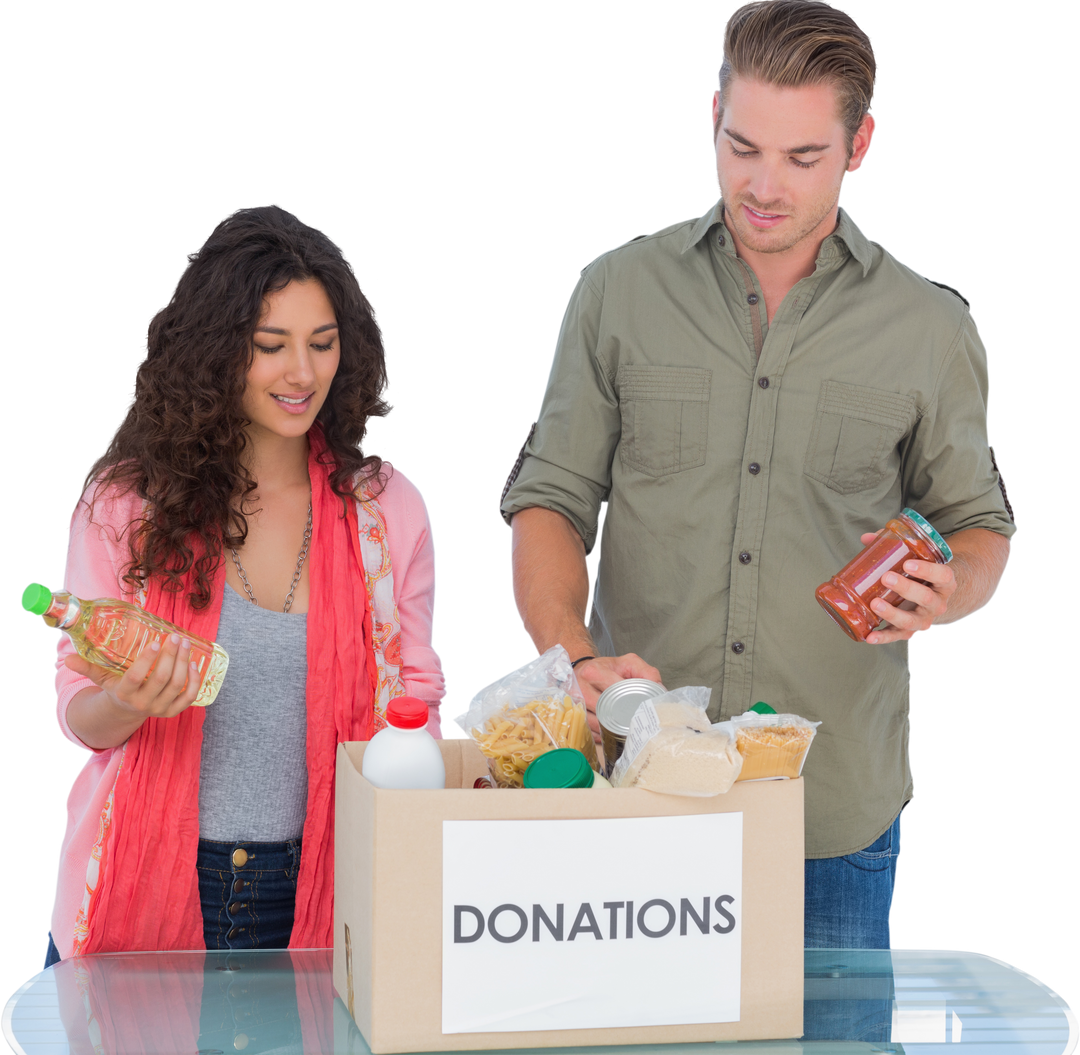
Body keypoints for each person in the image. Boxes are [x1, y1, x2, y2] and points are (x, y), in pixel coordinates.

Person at [498, 0, 1016, 953]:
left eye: (801, 157)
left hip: (829, 822)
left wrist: (951, 590)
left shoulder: (933, 329)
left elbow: (979, 523)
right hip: (632, 795)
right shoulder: (615, 290)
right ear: (711, 114)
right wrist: (571, 654)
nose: (763, 184)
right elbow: (550, 498)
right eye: (741, 147)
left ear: (860, 144)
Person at [43, 203, 447, 966]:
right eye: (271, 346)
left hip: (330, 887)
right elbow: (78, 713)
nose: (303, 373)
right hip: (148, 886)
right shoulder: (127, 505)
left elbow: (416, 694)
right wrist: (126, 701)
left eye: (322, 344)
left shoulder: (390, 509)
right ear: (216, 352)